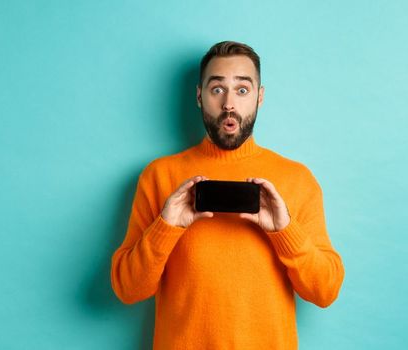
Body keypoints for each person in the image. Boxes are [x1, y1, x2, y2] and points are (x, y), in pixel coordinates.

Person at [110, 40, 345, 350]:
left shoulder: (297, 179)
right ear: (199, 96)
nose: (229, 104)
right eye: (217, 89)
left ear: (260, 97)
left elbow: (325, 291)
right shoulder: (159, 176)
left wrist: (285, 230)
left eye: (243, 90)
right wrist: (165, 227)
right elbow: (128, 289)